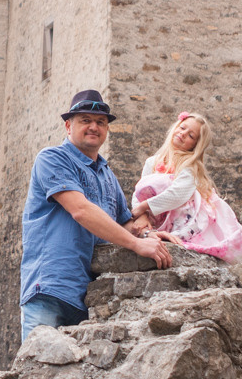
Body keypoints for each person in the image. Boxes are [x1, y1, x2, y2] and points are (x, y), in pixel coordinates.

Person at [20, 89, 171, 344]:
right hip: (50, 288)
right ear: (69, 126)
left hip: (87, 296)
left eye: (100, 122)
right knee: (37, 373)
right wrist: (136, 244)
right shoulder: (53, 159)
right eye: (85, 120)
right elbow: (80, 210)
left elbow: (124, 222)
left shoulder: (106, 174)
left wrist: (147, 234)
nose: (94, 127)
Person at [126, 110, 242, 264]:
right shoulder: (152, 162)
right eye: (182, 128)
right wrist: (141, 214)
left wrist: (144, 206)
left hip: (184, 216)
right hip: (159, 215)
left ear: (195, 145)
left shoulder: (189, 166)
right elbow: (138, 191)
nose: (183, 134)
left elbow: (177, 194)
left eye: (191, 135)